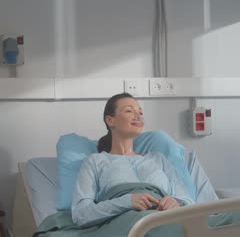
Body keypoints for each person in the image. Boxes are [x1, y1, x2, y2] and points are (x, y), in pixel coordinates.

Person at [71, 93, 194, 227]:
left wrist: (177, 202)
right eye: (129, 110)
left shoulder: (158, 159)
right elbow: (81, 214)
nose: (138, 115)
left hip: (166, 220)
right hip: (128, 225)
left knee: (216, 225)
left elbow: (188, 201)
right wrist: (126, 202)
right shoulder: (95, 161)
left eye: (140, 112)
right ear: (110, 120)